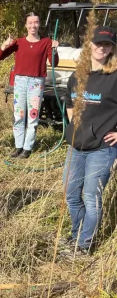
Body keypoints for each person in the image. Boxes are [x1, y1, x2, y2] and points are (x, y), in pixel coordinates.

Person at [63, 25, 117, 254]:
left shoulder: (114, 77)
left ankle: (83, 246)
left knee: (90, 196)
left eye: (106, 44)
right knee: (71, 195)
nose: (101, 47)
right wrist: (75, 125)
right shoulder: (78, 75)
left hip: (102, 149)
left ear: (112, 48)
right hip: (77, 146)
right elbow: (69, 103)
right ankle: (77, 235)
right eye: (98, 43)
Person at [0, 12, 59, 158]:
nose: (33, 25)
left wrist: (55, 49)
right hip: (20, 81)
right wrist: (4, 45)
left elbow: (54, 63)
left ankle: (27, 148)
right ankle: (18, 146)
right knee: (19, 115)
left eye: (36, 22)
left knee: (33, 115)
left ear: (39, 24)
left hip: (36, 82)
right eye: (30, 23)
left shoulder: (46, 42)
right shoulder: (19, 42)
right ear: (26, 25)